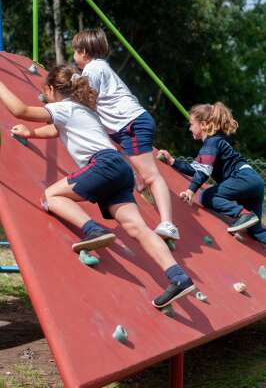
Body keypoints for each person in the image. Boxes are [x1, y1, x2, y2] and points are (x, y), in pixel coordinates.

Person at [0, 65, 195, 308]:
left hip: (103, 165)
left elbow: (19, 109)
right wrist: (30, 134)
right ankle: (178, 277)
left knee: (51, 195)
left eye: (44, 93)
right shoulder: (83, 110)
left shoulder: (63, 107)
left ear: (50, 89)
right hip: (120, 170)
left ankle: (94, 229)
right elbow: (55, 129)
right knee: (138, 228)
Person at [71, 27, 179, 243]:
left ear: (83, 52)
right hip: (125, 125)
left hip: (131, 123)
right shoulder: (99, 68)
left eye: (75, 51)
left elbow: (85, 101)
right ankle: (139, 180)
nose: (73, 55)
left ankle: (168, 223)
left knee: (150, 175)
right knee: (134, 166)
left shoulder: (93, 68)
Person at [157, 102, 266, 244]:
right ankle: (250, 220)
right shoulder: (215, 143)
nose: (190, 128)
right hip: (253, 181)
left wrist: (191, 190)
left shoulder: (211, 143)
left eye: (191, 124)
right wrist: (172, 161)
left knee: (207, 196)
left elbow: (203, 171)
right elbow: (195, 169)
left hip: (242, 178)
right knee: (256, 230)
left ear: (203, 125)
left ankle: (243, 214)